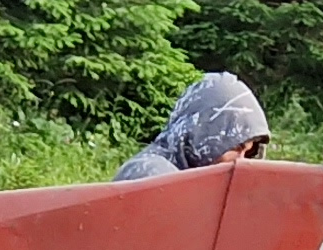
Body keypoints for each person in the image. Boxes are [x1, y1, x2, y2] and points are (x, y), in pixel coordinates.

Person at [114, 73, 271, 181]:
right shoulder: (152, 173)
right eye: (235, 148)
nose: (241, 161)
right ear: (204, 133)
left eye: (247, 152)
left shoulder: (190, 174)